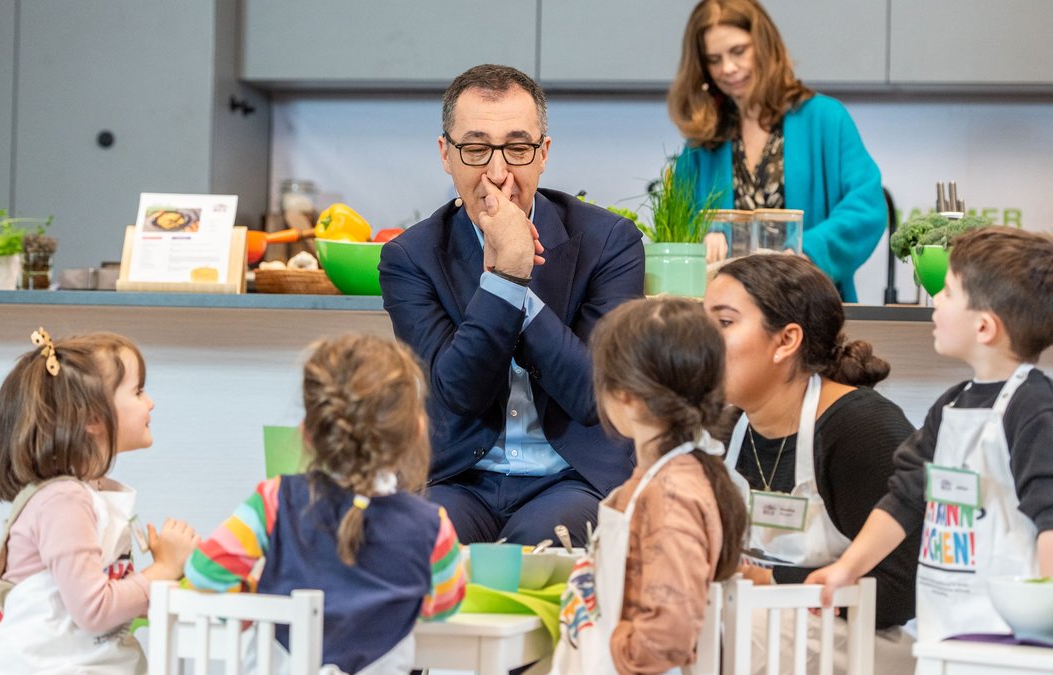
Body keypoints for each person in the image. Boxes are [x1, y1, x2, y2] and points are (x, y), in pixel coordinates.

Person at [378, 63, 646, 547]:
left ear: (543, 154)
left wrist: (515, 281)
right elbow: (456, 392)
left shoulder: (609, 242)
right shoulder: (411, 257)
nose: (498, 173)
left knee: (538, 547)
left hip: (571, 478)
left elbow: (596, 395)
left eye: (518, 148)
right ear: (446, 154)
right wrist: (506, 278)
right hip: (458, 477)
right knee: (415, 539)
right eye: (477, 149)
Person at [807, 226, 1053, 643]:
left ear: (984, 328)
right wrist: (847, 568)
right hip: (947, 627)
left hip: (1017, 641)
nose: (935, 300)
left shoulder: (1034, 407)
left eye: (949, 292)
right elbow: (906, 496)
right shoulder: (952, 404)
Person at [185, 334, 467, 675]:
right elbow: (442, 608)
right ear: (416, 432)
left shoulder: (275, 500)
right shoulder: (433, 527)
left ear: (308, 433)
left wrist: (255, 603)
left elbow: (204, 573)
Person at [702, 254, 919, 671]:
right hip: (758, 630)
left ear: (786, 340)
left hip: (858, 646)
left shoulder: (862, 428)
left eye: (724, 323)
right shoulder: (727, 429)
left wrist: (771, 582)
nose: (702, 341)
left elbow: (900, 591)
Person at [0, 329, 199, 674]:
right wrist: (162, 570)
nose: (150, 402)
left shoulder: (88, 494)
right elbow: (94, 609)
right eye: (138, 391)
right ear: (93, 418)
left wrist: (164, 577)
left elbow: (105, 599)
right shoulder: (63, 502)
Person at [553, 296, 746, 674]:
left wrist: (608, 644)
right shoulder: (668, 476)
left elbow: (666, 634)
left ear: (625, 394)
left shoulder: (670, 492)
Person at [669, 0, 886, 302]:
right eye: (714, 59)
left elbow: (867, 207)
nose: (728, 68)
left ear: (764, 44)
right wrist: (700, 239)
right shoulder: (701, 141)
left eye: (738, 51)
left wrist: (808, 249)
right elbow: (677, 223)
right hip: (725, 316)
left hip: (809, 307)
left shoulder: (825, 118)